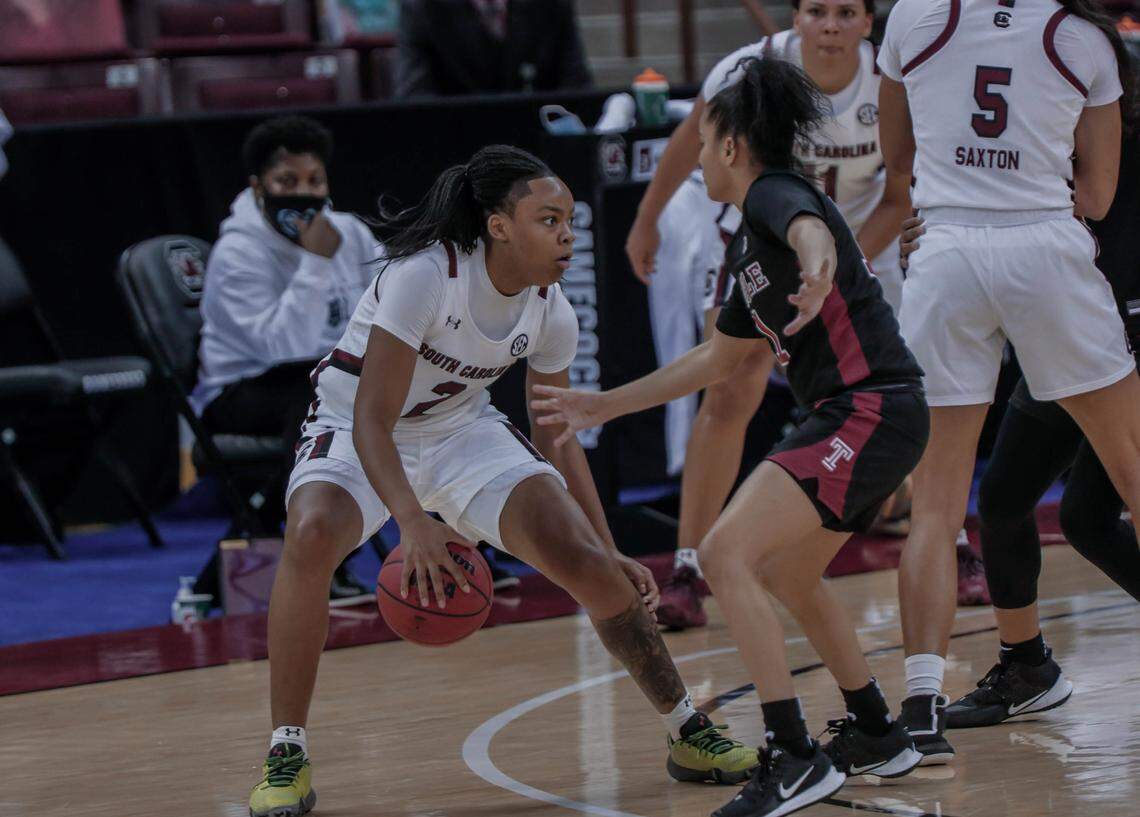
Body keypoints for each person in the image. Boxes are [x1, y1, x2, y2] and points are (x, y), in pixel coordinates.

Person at [247, 145, 759, 817]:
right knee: (311, 533)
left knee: (585, 565)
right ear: (498, 225)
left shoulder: (553, 311)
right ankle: (286, 751)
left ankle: (687, 729)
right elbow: (374, 419)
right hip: (355, 427)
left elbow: (555, 432)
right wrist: (413, 521)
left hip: (463, 430)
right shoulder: (424, 276)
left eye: (571, 221)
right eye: (549, 219)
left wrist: (603, 546)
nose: (567, 235)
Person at [533, 57, 926, 817]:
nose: (699, 160)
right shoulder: (749, 247)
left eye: (705, 143)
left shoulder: (777, 194)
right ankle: (878, 728)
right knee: (786, 573)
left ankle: (796, 755)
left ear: (734, 148)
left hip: (869, 407)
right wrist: (604, 405)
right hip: (865, 413)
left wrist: (819, 266)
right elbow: (720, 358)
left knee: (722, 553)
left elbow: (812, 229)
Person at [877, 0, 1140, 765]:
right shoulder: (1081, 34)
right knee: (1130, 466)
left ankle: (921, 706)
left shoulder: (913, 17)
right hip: (1044, 249)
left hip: (947, 251)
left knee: (935, 506)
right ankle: (1017, 666)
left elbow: (898, 160)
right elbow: (1095, 198)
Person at [630, 0, 933, 631]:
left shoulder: (892, 82)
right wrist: (647, 218)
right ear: (795, 19)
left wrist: (839, 269)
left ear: (867, 24)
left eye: (845, 12)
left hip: (854, 239)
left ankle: (946, 540)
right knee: (730, 386)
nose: (829, 24)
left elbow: (899, 196)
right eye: (816, 10)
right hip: (759, 237)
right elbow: (691, 140)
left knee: (919, 379)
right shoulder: (752, 68)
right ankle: (688, 566)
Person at [187, 115, 377, 610]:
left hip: (327, 379)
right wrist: (314, 263)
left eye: (314, 181)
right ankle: (321, 562)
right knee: (320, 397)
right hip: (240, 390)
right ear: (258, 187)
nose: (305, 194)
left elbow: (388, 306)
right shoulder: (237, 253)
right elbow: (283, 346)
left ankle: (465, 544)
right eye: (287, 182)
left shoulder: (350, 234)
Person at [394, 0, 592, 98]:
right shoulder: (421, 7)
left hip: (539, 162)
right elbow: (416, 103)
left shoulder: (551, 5)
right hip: (455, 161)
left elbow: (578, 92)